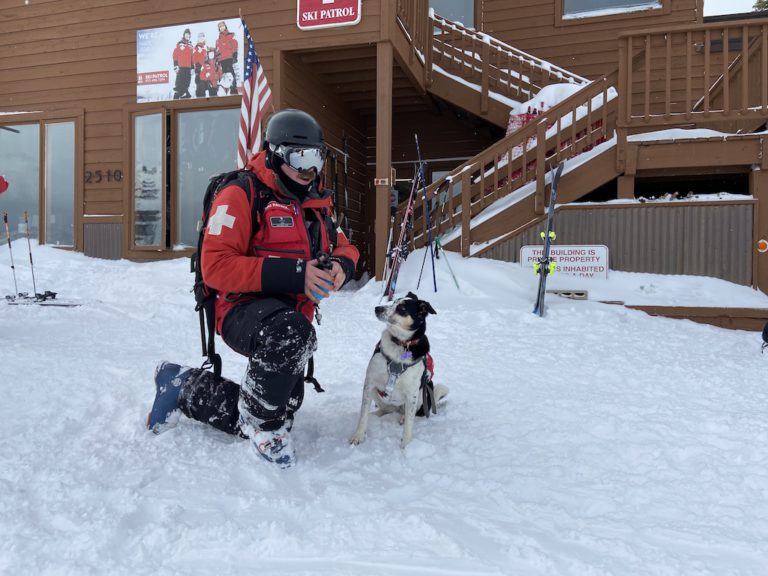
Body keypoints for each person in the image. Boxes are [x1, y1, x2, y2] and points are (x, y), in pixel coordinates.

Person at [148, 109, 359, 468]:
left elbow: (344, 245)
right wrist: (296, 274)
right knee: (290, 342)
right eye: (299, 159)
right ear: (276, 155)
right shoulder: (241, 193)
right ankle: (264, 429)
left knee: (284, 405)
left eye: (316, 159)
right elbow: (215, 266)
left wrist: (340, 265)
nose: (310, 171)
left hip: (288, 316)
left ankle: (182, 384)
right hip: (239, 309)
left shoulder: (315, 202)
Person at [215, 21, 239, 95]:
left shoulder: (231, 35)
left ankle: (233, 89)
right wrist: (217, 60)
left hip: (230, 58)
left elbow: (235, 45)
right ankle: (225, 89)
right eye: (220, 27)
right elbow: (217, 51)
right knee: (224, 75)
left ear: (225, 27)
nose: (222, 28)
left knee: (231, 74)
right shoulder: (218, 40)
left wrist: (235, 56)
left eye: (223, 26)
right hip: (222, 60)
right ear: (219, 29)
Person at [172, 28, 193, 99]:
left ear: (190, 36)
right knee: (179, 82)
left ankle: (183, 94)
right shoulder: (179, 43)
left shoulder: (191, 46)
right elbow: (175, 54)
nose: (187, 36)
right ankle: (177, 95)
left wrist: (192, 67)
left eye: (188, 35)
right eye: (186, 34)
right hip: (181, 67)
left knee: (187, 82)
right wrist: (175, 65)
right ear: (184, 35)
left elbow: (192, 57)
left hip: (188, 67)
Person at [192, 32, 207, 98]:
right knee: (199, 85)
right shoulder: (196, 48)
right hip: (199, 69)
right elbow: (194, 58)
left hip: (205, 70)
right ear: (198, 38)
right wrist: (198, 68)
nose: (201, 38)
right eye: (200, 37)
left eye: (202, 37)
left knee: (204, 86)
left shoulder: (205, 47)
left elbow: (207, 58)